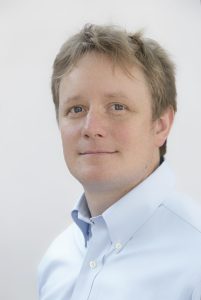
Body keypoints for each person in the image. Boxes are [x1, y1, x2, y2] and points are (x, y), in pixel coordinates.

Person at [38, 24, 201, 300]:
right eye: (76, 109)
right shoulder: (57, 259)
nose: (91, 127)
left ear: (161, 125)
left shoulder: (195, 258)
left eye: (117, 107)